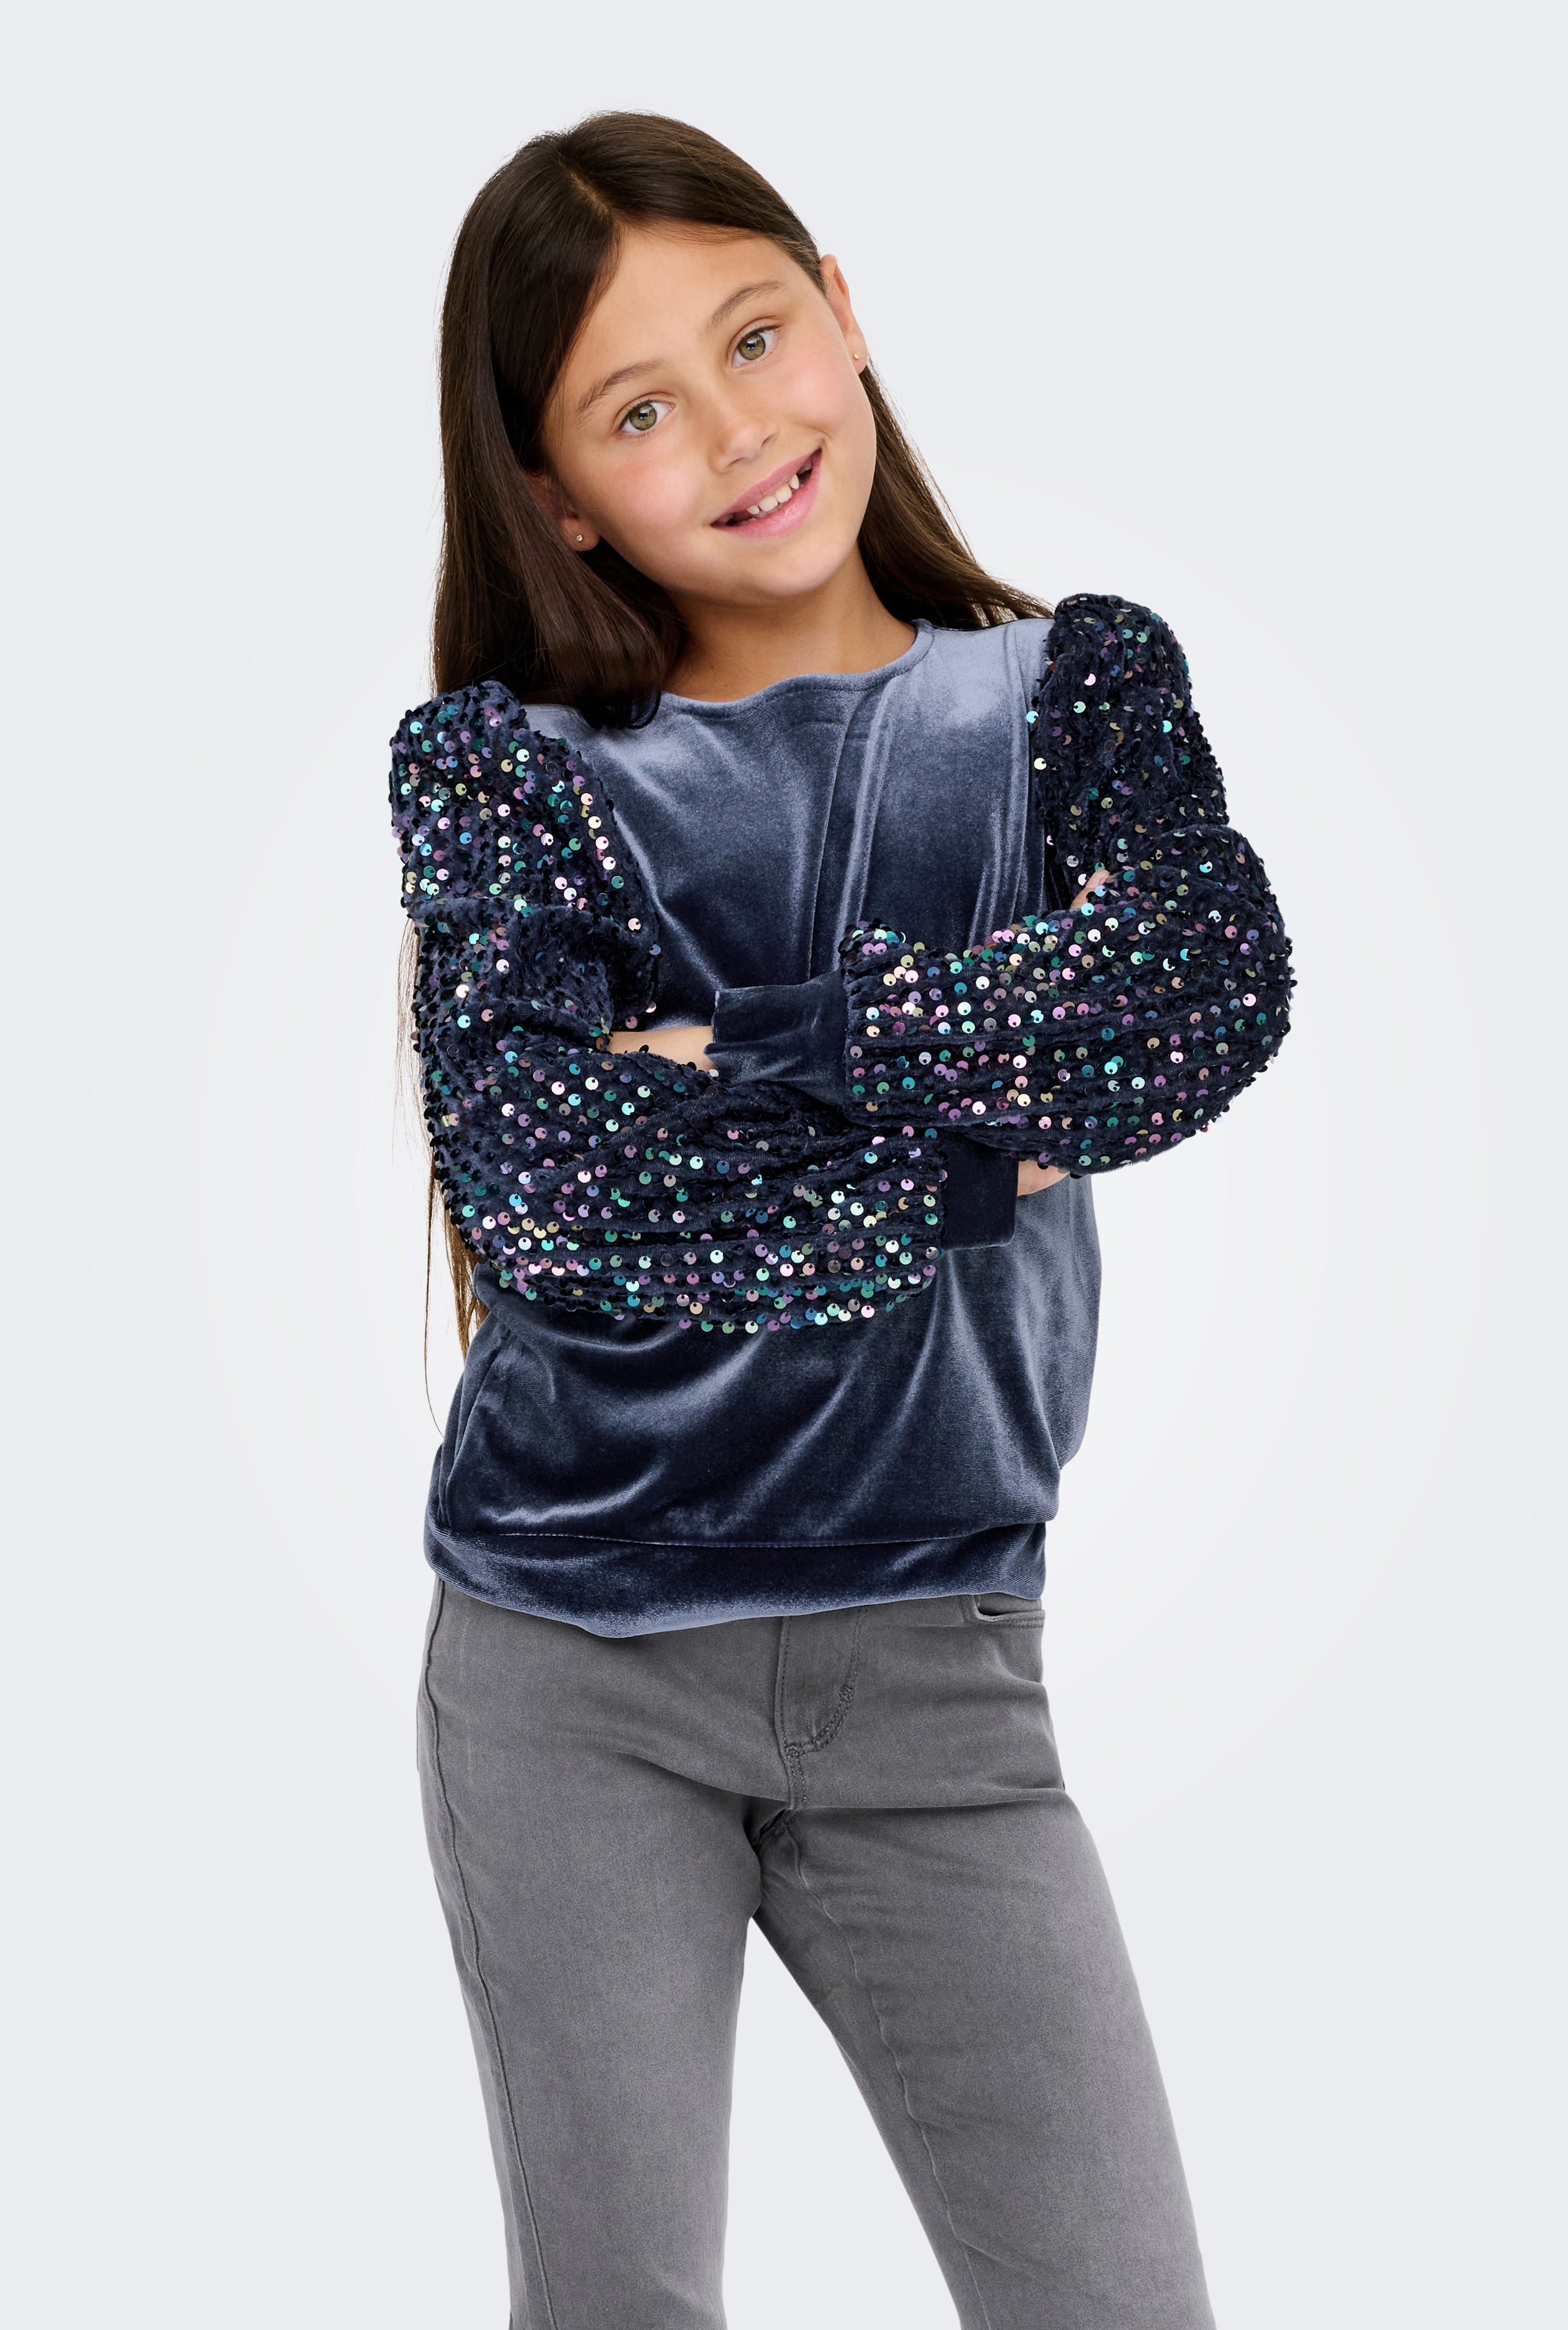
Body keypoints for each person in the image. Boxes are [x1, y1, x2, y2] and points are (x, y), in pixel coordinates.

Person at [390, 111, 1292, 2330]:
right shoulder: (509, 775)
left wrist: (758, 1047)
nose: (734, 432)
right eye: (633, 411)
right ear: (556, 494)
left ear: (845, 313)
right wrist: (996, 1127)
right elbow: (563, 1192)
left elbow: (1198, 994)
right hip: (578, 1669)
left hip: (943, 1671)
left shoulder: (1071, 692)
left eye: (753, 336)